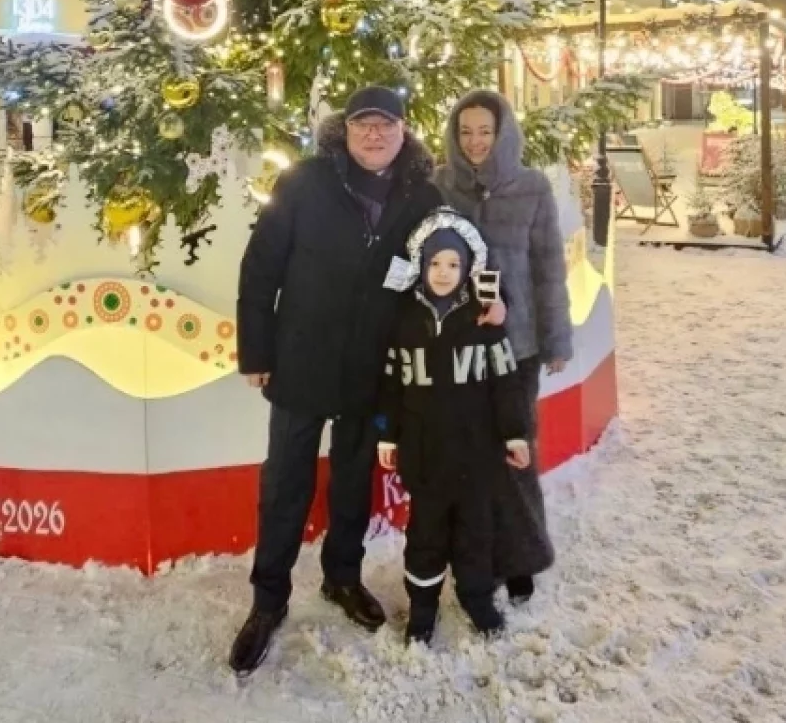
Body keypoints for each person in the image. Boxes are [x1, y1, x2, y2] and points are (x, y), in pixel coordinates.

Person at [229, 86, 444, 677]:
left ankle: (342, 578)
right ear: (344, 131)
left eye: (386, 124)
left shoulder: (423, 195)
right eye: (362, 124)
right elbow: (261, 268)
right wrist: (256, 351)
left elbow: (438, 276)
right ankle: (268, 600)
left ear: (404, 130)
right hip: (301, 359)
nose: (374, 134)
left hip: (372, 367)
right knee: (285, 483)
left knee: (354, 479)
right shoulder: (303, 183)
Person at [433, 90, 572, 605]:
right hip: (460, 345)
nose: (475, 142)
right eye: (466, 131)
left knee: (515, 452)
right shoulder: (439, 185)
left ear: (502, 133)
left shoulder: (532, 187)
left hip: (517, 346)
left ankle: (521, 556)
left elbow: (548, 268)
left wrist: (556, 338)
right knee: (469, 456)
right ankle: (477, 558)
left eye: (485, 132)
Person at [377, 208, 531, 644]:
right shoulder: (405, 319)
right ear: (421, 264)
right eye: (434, 263)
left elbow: (506, 382)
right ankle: (423, 607)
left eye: (453, 264)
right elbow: (390, 383)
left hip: (476, 455)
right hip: (424, 454)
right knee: (425, 534)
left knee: (475, 533)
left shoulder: (484, 320)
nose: (443, 273)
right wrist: (387, 434)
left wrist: (514, 433)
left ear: (468, 269)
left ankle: (476, 597)